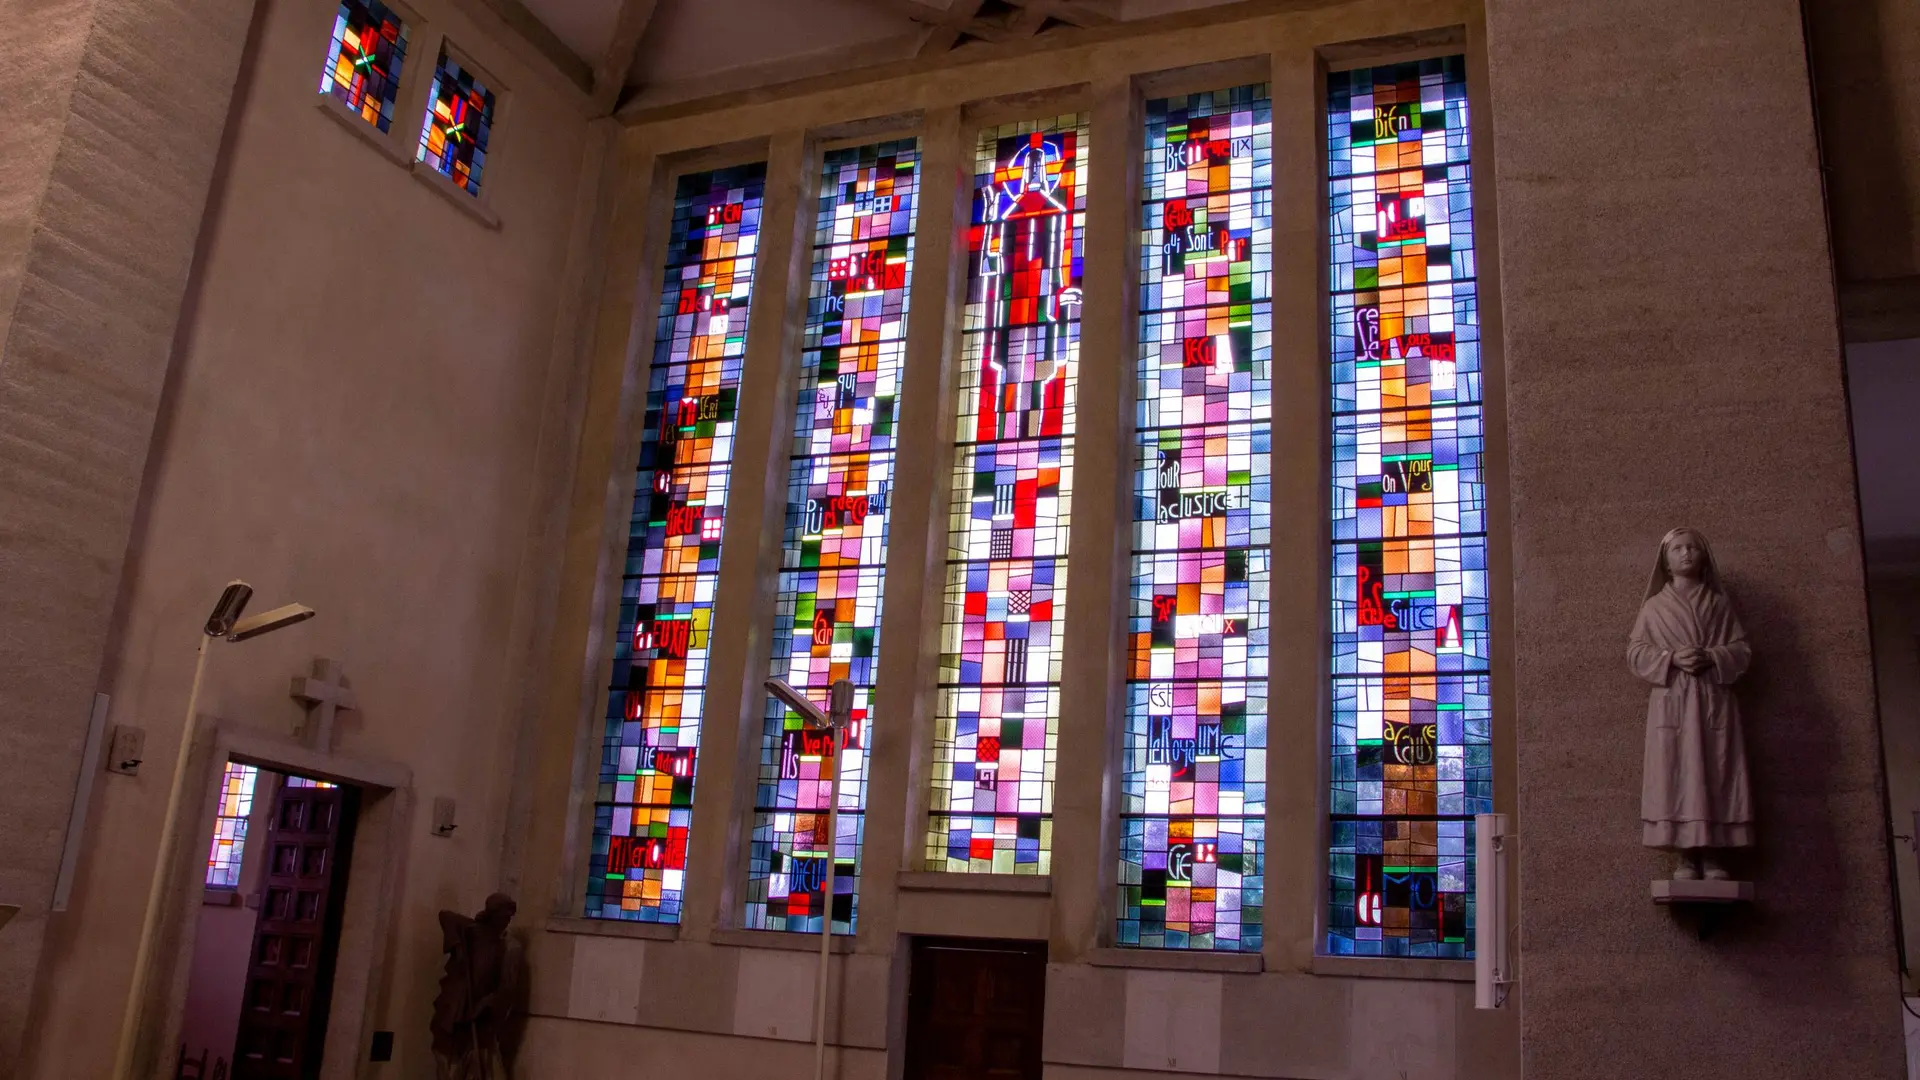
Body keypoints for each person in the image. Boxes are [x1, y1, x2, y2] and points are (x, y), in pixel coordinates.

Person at [1628, 527, 1753, 880]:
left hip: (1713, 698)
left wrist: (1712, 656)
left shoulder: (1718, 604)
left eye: (1693, 548)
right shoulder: (1654, 608)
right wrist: (1671, 659)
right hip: (1673, 701)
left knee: (1716, 770)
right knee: (1677, 773)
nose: (1686, 554)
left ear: (1704, 557)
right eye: (1678, 549)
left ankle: (1714, 855)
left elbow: (1742, 649)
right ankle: (1685, 855)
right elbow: (1635, 652)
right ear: (1666, 562)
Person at [430, 893, 524, 1080]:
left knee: (479, 1062)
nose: (507, 922)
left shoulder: (504, 946)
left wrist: (488, 1002)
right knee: (450, 1060)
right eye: (504, 917)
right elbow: (446, 916)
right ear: (493, 914)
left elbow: (503, 989)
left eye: (509, 918)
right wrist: (458, 947)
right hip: (457, 1008)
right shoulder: (474, 930)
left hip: (478, 1015)